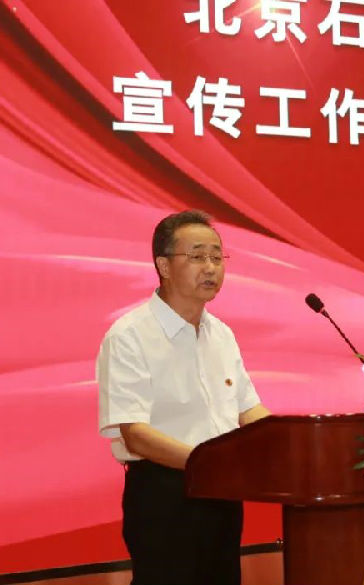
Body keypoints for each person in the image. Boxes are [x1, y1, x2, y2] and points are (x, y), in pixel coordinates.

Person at [97, 210, 270, 585]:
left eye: (217, 257)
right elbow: (135, 433)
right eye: (197, 256)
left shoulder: (221, 334)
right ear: (163, 265)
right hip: (164, 496)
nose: (210, 267)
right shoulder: (130, 335)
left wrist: (290, 440)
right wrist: (208, 463)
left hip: (222, 493)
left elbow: (247, 409)